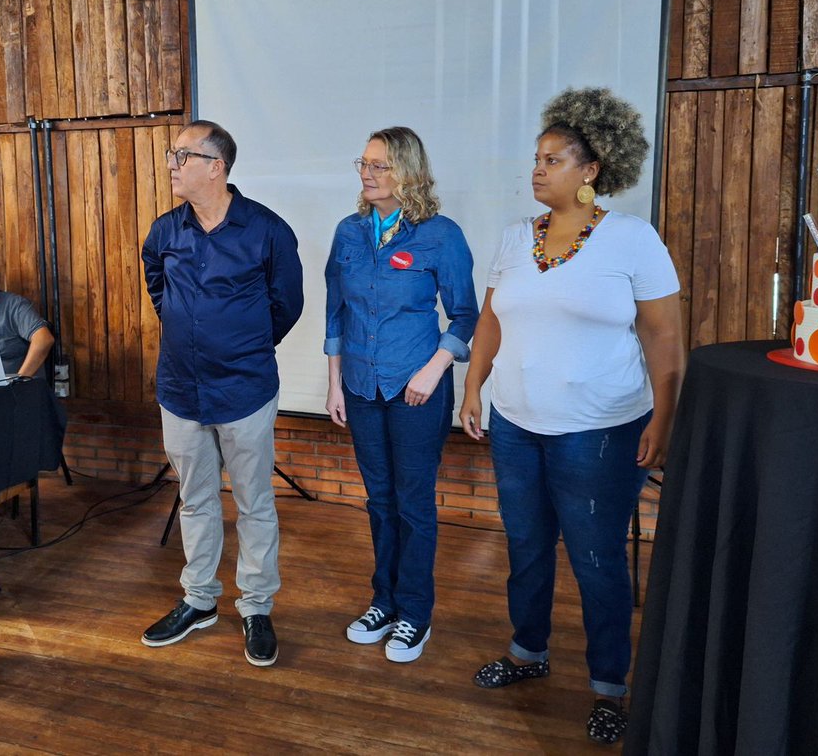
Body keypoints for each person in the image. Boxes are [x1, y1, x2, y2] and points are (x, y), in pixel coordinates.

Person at [458, 88, 684, 745]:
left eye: (553, 160)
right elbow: (491, 324)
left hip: (601, 431)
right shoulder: (512, 238)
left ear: (590, 172)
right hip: (516, 425)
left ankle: (610, 686)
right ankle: (528, 652)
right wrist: (473, 388)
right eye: (536, 158)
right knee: (526, 549)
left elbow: (666, 338)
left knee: (595, 561)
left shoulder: (631, 240)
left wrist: (664, 417)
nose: (537, 169)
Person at [139, 120, 304, 667]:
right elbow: (156, 284)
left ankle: (256, 606)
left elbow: (287, 304)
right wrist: (190, 332)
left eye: (181, 155)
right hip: (181, 391)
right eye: (171, 154)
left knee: (255, 503)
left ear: (217, 165)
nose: (170, 163)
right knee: (195, 500)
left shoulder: (267, 231)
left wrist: (243, 344)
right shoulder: (165, 231)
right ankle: (199, 600)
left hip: (245, 390)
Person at [323, 127, 478, 664]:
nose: (367, 174)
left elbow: (466, 314)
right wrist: (334, 381)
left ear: (408, 172)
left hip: (417, 388)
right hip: (362, 388)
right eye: (363, 164)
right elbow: (335, 311)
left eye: (380, 166)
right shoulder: (349, 232)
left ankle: (415, 614)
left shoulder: (440, 235)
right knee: (379, 499)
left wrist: (434, 369)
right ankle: (383, 602)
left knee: (413, 504)